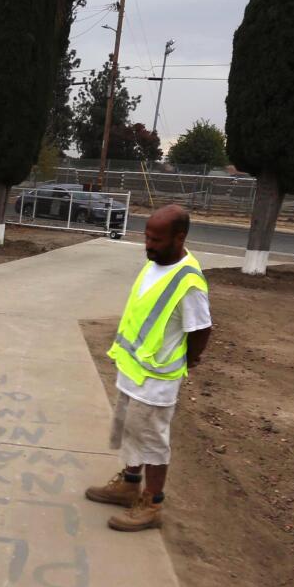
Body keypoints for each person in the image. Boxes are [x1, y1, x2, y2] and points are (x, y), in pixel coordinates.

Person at [87, 203, 213, 532]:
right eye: (146, 237)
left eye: (156, 239)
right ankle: (130, 484)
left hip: (157, 378)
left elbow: (201, 329)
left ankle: (152, 503)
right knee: (131, 429)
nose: (149, 244)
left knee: (153, 439)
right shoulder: (155, 262)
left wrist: (190, 359)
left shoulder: (189, 282)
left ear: (179, 237)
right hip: (133, 369)